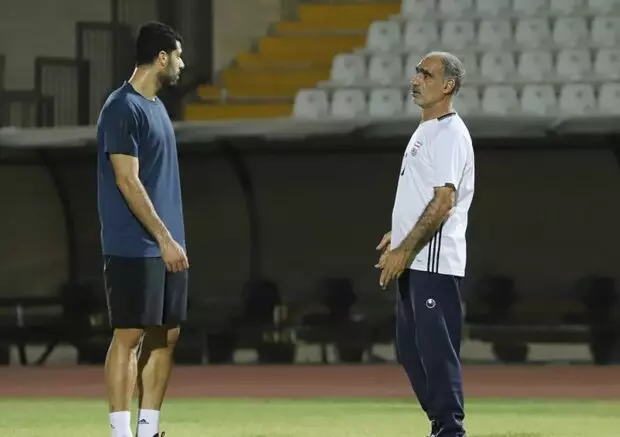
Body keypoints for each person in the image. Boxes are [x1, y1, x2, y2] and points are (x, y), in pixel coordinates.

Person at [375, 52, 474, 437]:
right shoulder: (427, 130)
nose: (416, 80)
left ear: (448, 86)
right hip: (415, 259)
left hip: (432, 261)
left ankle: (450, 430)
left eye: (427, 75)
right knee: (411, 351)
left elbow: (443, 201)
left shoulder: (449, 133)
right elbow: (421, 196)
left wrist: (404, 249)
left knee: (435, 353)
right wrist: (397, 234)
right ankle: (441, 425)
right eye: (417, 73)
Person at [96, 21, 188, 437]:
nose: (183, 64)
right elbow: (126, 180)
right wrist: (164, 238)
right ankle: (121, 433)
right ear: (162, 57)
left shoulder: (157, 108)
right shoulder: (121, 107)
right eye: (179, 56)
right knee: (129, 335)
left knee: (167, 336)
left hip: (168, 245)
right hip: (134, 245)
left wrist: (173, 240)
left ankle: (149, 430)